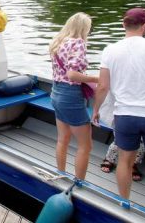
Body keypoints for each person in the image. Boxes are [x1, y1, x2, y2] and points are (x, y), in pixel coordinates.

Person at [92, 8, 145, 216]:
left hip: (125, 115)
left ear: (124, 25)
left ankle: (125, 205)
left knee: (124, 161)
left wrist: (96, 110)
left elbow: (102, 87)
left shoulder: (110, 50)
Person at [49, 12, 97, 180]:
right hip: (70, 96)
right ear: (84, 28)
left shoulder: (58, 41)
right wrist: (97, 78)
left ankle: (60, 174)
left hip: (56, 92)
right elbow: (72, 75)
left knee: (63, 139)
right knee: (86, 146)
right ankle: (79, 183)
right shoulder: (78, 43)